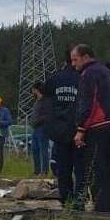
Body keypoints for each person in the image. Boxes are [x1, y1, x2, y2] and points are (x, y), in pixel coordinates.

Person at [71, 43, 110, 213]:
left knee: (96, 170)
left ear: (85, 57)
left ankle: (102, 210)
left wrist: (80, 129)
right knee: (109, 171)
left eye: (75, 59)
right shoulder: (106, 71)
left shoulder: (88, 74)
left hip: (97, 126)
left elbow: (87, 102)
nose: (73, 64)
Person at [46, 51, 84, 208]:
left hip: (60, 130)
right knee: (80, 168)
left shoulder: (55, 78)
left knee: (63, 169)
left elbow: (45, 93)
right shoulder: (82, 78)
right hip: (79, 129)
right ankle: (80, 200)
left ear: (64, 62)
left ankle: (66, 200)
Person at [29, 82, 52, 176]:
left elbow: (48, 115)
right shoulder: (36, 102)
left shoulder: (46, 101)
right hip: (35, 129)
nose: (32, 92)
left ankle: (44, 171)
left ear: (36, 90)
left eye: (33, 90)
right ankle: (37, 171)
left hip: (42, 128)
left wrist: (38, 120)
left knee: (43, 149)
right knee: (34, 149)